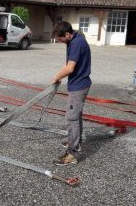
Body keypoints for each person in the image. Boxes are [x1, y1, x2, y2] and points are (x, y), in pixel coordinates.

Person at [51, 21, 91, 166]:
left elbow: (70, 68)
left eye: (61, 39)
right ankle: (77, 142)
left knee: (71, 119)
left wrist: (56, 77)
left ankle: (71, 154)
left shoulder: (76, 43)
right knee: (76, 116)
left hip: (79, 86)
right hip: (79, 84)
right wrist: (61, 75)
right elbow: (67, 65)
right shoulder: (75, 39)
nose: (60, 42)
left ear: (67, 34)